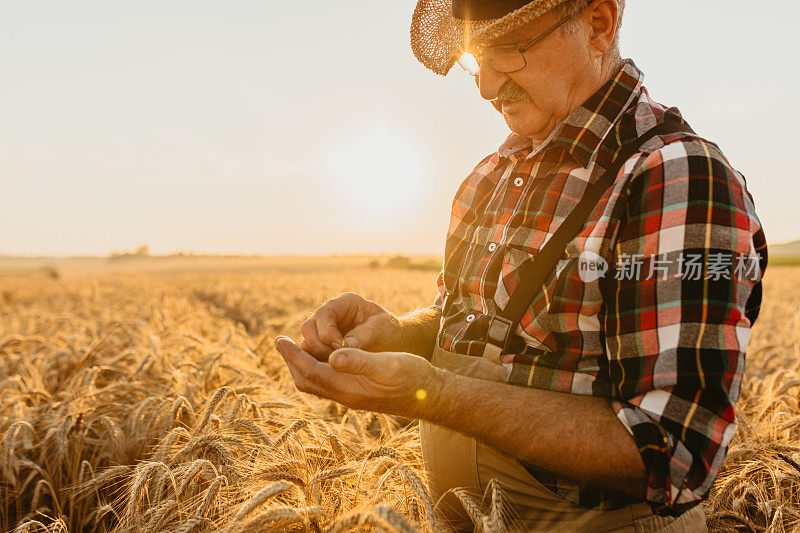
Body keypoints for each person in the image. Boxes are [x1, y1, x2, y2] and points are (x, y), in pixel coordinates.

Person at [275, 0, 768, 530]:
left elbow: (673, 451)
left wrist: (437, 394)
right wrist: (398, 332)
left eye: (508, 50)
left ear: (598, 24)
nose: (487, 86)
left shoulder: (674, 176)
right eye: (474, 56)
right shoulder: (490, 175)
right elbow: (468, 323)